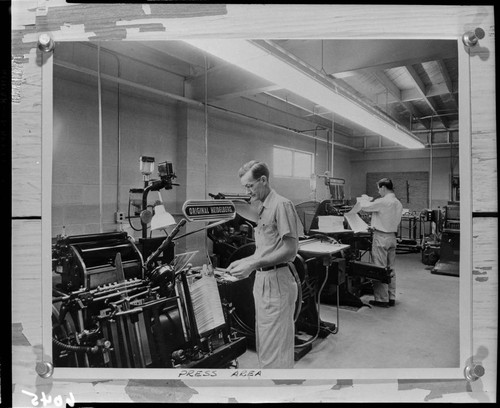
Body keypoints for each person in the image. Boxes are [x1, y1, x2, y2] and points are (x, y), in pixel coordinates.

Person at [226, 160, 303, 368]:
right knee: (266, 342)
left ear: (263, 180)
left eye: (250, 186)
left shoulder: (281, 205)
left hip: (277, 280)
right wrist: (247, 260)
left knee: (276, 346)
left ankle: (278, 391)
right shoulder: (262, 208)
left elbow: (290, 249)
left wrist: (253, 264)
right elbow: (267, 248)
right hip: (263, 280)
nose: (247, 191)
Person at [348, 178, 403, 308]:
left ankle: (381, 300)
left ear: (383, 187)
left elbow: (364, 208)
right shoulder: (397, 202)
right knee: (390, 268)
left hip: (381, 237)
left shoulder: (383, 201)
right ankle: (391, 297)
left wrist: (364, 199)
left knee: (379, 268)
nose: (378, 191)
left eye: (379, 188)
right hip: (392, 238)